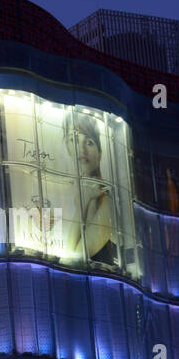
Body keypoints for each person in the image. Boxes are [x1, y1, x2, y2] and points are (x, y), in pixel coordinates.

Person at [66, 113, 120, 266]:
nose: (81, 148)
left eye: (89, 142)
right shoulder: (81, 192)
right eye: (74, 140)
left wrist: (84, 200)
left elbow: (74, 256)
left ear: (100, 153)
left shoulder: (105, 201)